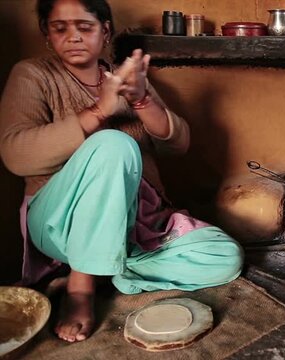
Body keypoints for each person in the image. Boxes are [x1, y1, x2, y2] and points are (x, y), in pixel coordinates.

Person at [0, 0, 243, 343]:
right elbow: (16, 155)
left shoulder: (123, 78)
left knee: (224, 257)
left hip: (132, 224)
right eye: (60, 28)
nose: (72, 37)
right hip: (59, 222)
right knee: (114, 143)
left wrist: (143, 100)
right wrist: (100, 111)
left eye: (84, 27)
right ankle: (81, 289)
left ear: (106, 31)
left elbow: (179, 144)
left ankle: (104, 267)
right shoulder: (33, 74)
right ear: (46, 34)